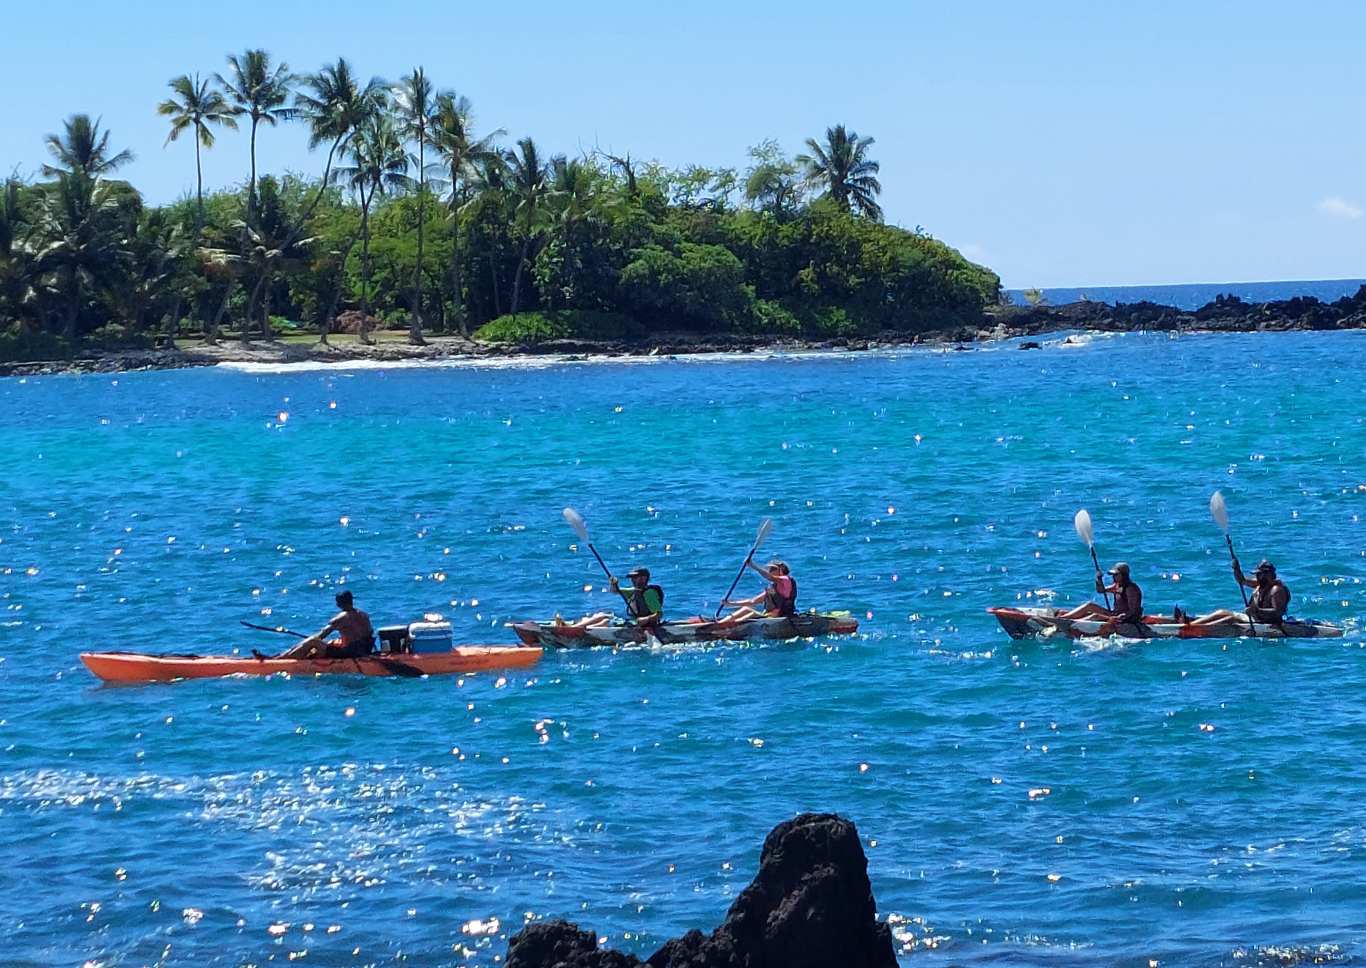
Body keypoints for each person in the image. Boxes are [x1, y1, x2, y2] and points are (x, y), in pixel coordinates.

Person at [260, 590, 375, 660]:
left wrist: (315, 640)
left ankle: (280, 659)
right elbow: (365, 634)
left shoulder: (341, 617)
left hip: (349, 654)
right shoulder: (364, 615)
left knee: (312, 641)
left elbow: (320, 636)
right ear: (351, 601)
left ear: (338, 604)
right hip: (363, 650)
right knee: (331, 642)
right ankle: (284, 656)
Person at [1184, 559, 1290, 626]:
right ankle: (1191, 622)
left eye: (1259, 574)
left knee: (1230, 618)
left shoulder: (1276, 590)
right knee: (1222, 612)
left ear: (1268, 575)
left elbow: (1278, 613)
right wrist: (1236, 568)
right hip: (1254, 618)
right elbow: (1242, 580)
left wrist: (1256, 611)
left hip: (1264, 622)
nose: (1257, 576)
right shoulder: (1261, 583)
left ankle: (1193, 627)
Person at [1047, 561, 1144, 635]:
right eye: (1113, 575)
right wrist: (1098, 579)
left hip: (1125, 619)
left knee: (1095, 616)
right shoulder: (1117, 585)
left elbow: (1133, 610)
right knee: (1090, 605)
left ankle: (1069, 625)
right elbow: (1101, 590)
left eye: (1116, 575)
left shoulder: (1130, 589)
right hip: (1114, 614)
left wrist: (1120, 617)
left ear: (1124, 575)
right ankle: (1062, 619)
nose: (1113, 577)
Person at [557, 567, 665, 630]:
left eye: (635, 577)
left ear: (644, 578)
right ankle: (575, 628)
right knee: (602, 615)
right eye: (632, 578)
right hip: (633, 623)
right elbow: (615, 591)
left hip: (645, 626)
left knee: (606, 620)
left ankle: (577, 630)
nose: (633, 580)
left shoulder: (649, 593)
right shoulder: (635, 591)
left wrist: (644, 619)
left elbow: (659, 614)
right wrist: (614, 584)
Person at [719, 559, 797, 622]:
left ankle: (731, 626)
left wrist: (753, 566)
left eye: (773, 569)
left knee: (751, 612)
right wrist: (730, 603)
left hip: (779, 616)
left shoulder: (786, 579)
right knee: (746, 609)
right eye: (770, 569)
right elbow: (752, 601)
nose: (770, 571)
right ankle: (721, 623)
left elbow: (770, 577)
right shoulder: (772, 588)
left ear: (781, 570)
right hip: (768, 615)